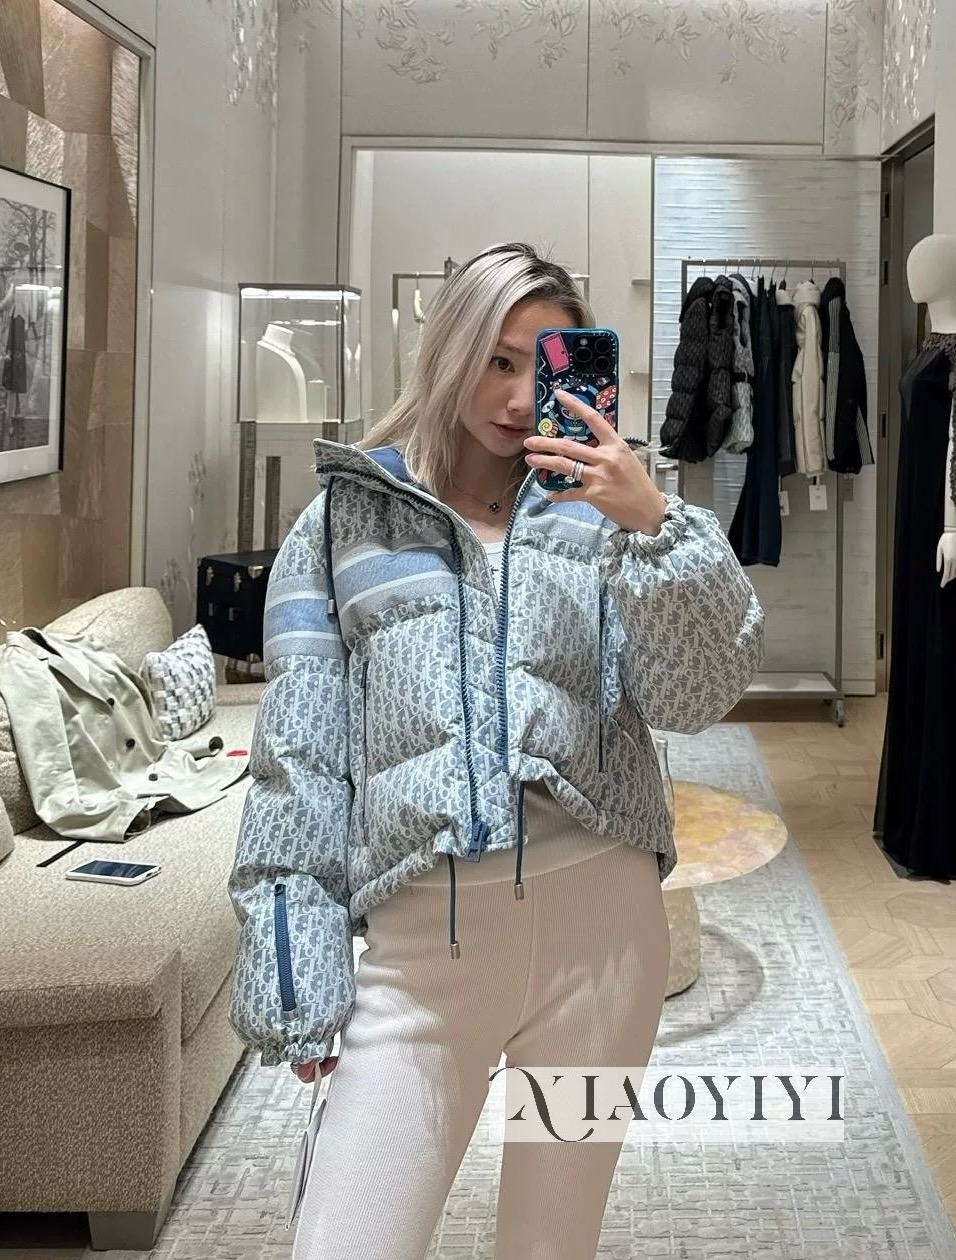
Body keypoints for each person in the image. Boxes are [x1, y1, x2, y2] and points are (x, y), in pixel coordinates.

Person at [227, 242, 765, 1260]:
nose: (520, 399)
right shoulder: (343, 522)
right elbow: (297, 763)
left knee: (549, 1247)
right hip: (422, 954)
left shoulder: (606, 516)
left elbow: (696, 695)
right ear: (448, 352)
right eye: (496, 361)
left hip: (604, 939)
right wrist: (295, 973)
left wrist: (652, 523)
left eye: (542, 365)